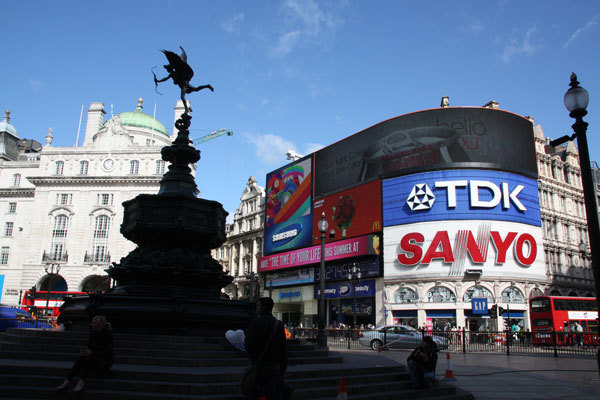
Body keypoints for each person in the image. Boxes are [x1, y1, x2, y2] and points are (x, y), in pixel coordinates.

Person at [55, 315, 115, 393]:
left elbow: (107, 353)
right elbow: (89, 346)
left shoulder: (108, 336)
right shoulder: (93, 334)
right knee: (83, 357)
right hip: (94, 358)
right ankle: (68, 381)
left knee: (88, 357)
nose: (92, 325)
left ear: (100, 325)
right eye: (92, 323)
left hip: (103, 362)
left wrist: (92, 353)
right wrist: (85, 351)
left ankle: (79, 381)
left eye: (94, 323)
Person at [245, 297, 289, 400]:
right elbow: (283, 349)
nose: (257, 308)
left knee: (255, 393)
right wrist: (282, 368)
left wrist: (253, 357)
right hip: (273, 366)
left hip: (258, 365)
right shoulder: (279, 325)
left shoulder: (256, 322)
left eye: (258, 305)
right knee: (271, 393)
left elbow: (248, 344)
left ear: (263, 307)